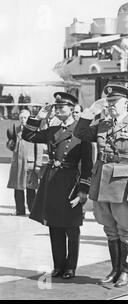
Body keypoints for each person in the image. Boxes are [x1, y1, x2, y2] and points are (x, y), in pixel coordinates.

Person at [73, 84, 128, 287]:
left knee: (126, 230)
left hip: (123, 186)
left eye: (115, 102)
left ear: (126, 104)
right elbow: (79, 132)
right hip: (102, 184)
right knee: (110, 229)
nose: (111, 105)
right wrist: (90, 111)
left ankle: (125, 271)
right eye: (109, 102)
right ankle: (114, 269)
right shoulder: (102, 125)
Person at [22, 92, 93, 280]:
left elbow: (87, 165)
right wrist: (37, 117)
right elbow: (28, 135)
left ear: (72, 109)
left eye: (62, 107)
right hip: (52, 182)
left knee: (71, 228)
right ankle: (58, 265)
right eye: (56, 107)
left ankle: (71, 267)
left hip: (71, 183)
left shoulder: (81, 131)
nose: (58, 110)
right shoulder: (53, 130)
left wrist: (83, 190)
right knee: (54, 226)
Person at [7, 109, 43, 216]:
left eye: (25, 118)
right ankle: (19, 210)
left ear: (29, 119)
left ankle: (33, 210)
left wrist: (38, 164)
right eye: (21, 118)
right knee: (18, 188)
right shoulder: (15, 130)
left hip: (30, 164)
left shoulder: (34, 131)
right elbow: (11, 146)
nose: (23, 120)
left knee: (30, 188)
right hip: (17, 164)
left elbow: (39, 148)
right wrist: (10, 143)